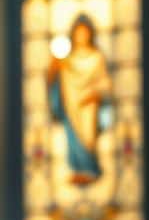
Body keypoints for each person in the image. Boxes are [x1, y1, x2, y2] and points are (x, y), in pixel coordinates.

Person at [46, 14, 113, 186]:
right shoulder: (67, 60)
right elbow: (57, 82)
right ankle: (77, 169)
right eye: (78, 34)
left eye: (84, 33)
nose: (81, 37)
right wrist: (54, 71)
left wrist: (93, 92)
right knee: (73, 139)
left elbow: (105, 82)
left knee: (88, 139)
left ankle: (90, 169)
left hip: (89, 106)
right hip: (71, 105)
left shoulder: (97, 57)